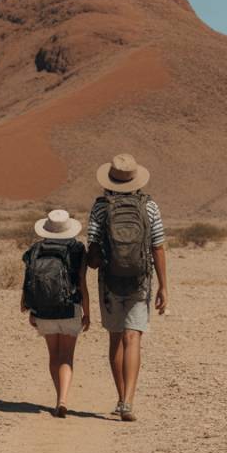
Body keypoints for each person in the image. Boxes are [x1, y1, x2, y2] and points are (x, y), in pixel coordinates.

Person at [86, 153, 167, 422]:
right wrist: (164, 286)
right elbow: (158, 246)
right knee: (133, 338)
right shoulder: (150, 207)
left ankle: (120, 398)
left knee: (116, 338)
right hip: (141, 280)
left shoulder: (100, 208)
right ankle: (129, 402)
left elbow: (94, 254)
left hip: (110, 281)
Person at [21, 209, 90, 417]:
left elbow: (28, 282)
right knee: (67, 356)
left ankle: (56, 397)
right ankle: (63, 400)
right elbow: (82, 283)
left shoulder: (35, 249)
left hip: (43, 310)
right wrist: (87, 312)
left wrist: (29, 308)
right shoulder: (77, 249)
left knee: (54, 354)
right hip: (70, 308)